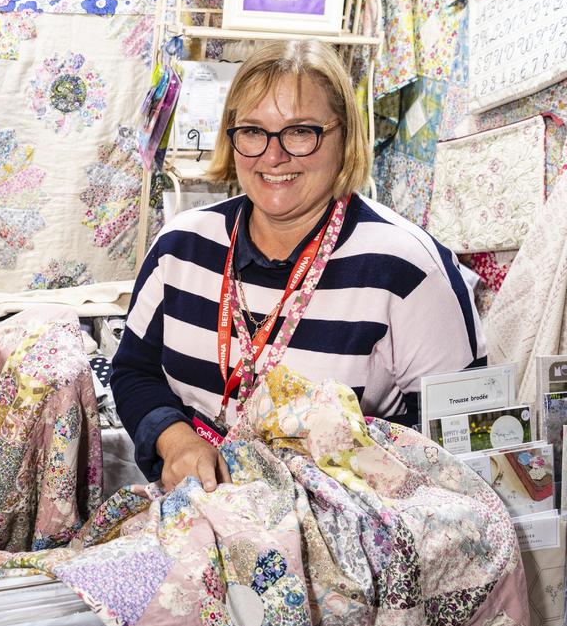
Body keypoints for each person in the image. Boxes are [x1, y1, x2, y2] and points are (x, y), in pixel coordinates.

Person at [111, 39, 484, 492]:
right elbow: (135, 372)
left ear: (344, 136)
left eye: (300, 132)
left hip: (346, 540)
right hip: (201, 514)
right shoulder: (181, 247)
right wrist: (176, 441)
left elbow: (461, 429)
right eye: (252, 131)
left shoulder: (406, 268)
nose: (273, 156)